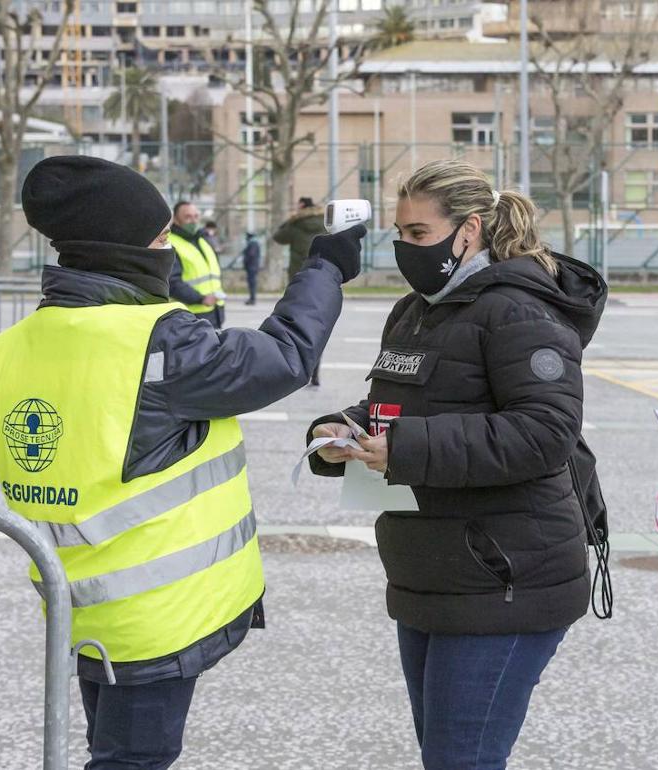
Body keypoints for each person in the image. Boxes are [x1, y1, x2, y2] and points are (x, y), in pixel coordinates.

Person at [0, 155, 363, 770]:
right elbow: (285, 355)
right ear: (123, 247)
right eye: (160, 238)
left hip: (77, 604)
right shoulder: (157, 342)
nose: (170, 249)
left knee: (113, 753)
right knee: (133, 761)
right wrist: (324, 268)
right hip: (155, 615)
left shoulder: (9, 348)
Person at [306, 159, 607, 770]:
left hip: (504, 580)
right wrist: (341, 428)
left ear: (469, 231)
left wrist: (407, 449)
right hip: (432, 574)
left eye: (419, 234)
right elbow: (393, 405)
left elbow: (544, 432)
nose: (404, 249)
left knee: (460, 760)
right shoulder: (417, 310)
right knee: (447, 757)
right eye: (399, 233)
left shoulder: (519, 310)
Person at [274, 196, 328, 384]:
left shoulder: (296, 225)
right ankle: (316, 372)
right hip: (322, 281)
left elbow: (277, 236)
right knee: (318, 327)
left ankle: (298, 369)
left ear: (302, 206)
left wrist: (291, 218)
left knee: (295, 326)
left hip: (299, 282)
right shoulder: (325, 223)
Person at [167, 201, 225, 329]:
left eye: (196, 216)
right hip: (190, 315)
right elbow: (172, 282)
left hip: (214, 311)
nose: (193, 220)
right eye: (187, 217)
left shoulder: (203, 240)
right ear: (175, 220)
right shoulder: (170, 243)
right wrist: (201, 298)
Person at [242, 231, 262, 305]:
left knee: (252, 283)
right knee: (251, 283)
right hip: (252, 266)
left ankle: (252, 299)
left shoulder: (253, 243)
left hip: (252, 267)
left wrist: (246, 261)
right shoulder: (253, 243)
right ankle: (252, 298)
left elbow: (251, 254)